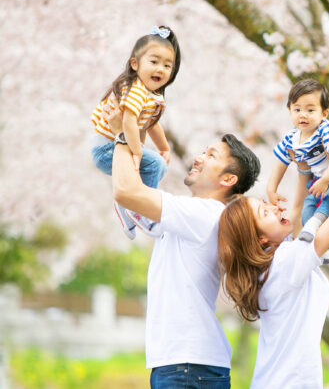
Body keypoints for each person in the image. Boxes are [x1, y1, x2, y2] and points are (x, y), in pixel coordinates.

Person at [104, 106, 261, 389]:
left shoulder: (205, 212)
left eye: (211, 156)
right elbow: (133, 198)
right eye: (204, 151)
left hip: (187, 365)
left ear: (228, 179)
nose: (198, 158)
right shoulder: (192, 217)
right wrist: (133, 129)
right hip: (186, 363)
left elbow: (126, 191)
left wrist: (121, 135)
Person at [218, 165, 329, 388]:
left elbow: (298, 208)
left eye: (265, 204)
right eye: (264, 212)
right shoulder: (285, 262)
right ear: (261, 239)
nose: (274, 208)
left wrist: (302, 170)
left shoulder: (268, 267)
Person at [90, 25, 181, 239]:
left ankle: (128, 206)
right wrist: (137, 151)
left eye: (167, 65)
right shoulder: (136, 88)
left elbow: (150, 123)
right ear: (135, 63)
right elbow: (129, 122)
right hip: (105, 149)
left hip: (111, 147)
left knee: (158, 167)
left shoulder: (151, 94)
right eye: (154, 62)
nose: (160, 69)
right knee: (155, 165)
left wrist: (164, 147)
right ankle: (140, 207)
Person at [266, 78, 329, 262]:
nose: (303, 115)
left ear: (324, 113)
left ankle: (315, 225)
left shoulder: (326, 129)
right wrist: (271, 189)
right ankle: (322, 246)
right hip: (318, 180)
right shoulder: (292, 138)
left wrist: (327, 180)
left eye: (310, 110)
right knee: (307, 209)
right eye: (297, 109)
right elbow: (281, 163)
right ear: (289, 111)